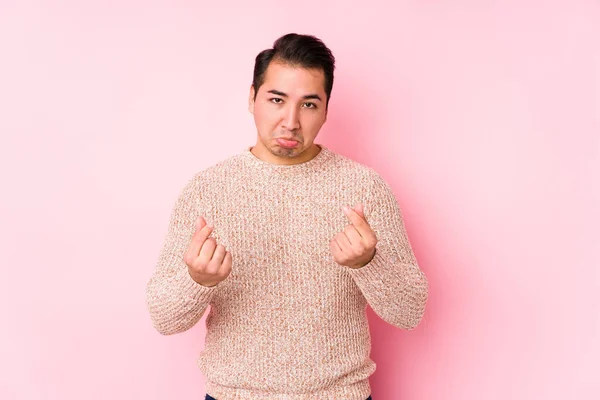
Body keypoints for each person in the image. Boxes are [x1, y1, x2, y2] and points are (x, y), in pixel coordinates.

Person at [145, 33, 428, 400]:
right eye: (276, 100)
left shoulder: (365, 188)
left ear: (326, 109)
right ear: (252, 98)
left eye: (309, 104)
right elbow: (164, 319)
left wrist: (368, 263)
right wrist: (196, 280)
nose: (291, 121)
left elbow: (410, 312)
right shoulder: (207, 190)